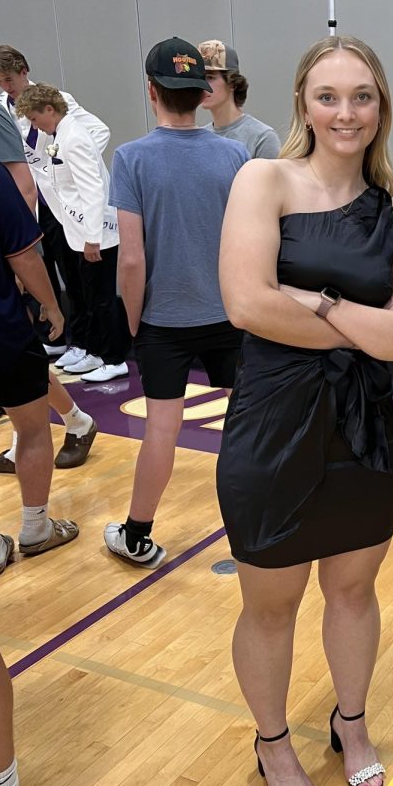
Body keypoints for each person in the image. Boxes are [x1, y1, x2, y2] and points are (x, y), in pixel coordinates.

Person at [217, 36, 393, 786]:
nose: (346, 112)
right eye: (329, 95)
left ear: (381, 108)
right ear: (303, 103)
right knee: (270, 604)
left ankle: (352, 724)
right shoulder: (264, 179)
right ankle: (272, 741)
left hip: (364, 430)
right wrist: (364, 317)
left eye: (362, 96)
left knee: (353, 590)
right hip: (273, 425)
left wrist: (313, 301)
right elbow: (246, 303)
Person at [105, 38, 249, 569]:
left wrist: (134, 323)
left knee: (161, 430)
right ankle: (253, 532)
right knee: (242, 429)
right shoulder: (234, 155)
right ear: (201, 91)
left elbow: (133, 261)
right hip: (230, 317)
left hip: (163, 322)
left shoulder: (130, 159)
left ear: (151, 92)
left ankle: (137, 535)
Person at [0, 99, 96, 473]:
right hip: (13, 248)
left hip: (14, 249)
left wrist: (27, 264)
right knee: (22, 357)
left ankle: (40, 433)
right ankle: (74, 420)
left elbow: (23, 186)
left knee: (18, 352)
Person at [0, 44, 111, 360]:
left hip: (57, 201)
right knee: (37, 270)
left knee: (72, 273)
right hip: (24, 201)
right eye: (0, 81)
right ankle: (55, 338)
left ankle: (85, 341)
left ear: (24, 71)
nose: (6, 87)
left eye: (9, 79)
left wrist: (60, 164)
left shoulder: (54, 99)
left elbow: (98, 132)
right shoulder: (0, 107)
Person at [14, 84, 129, 382]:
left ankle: (115, 358)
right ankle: (95, 351)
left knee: (103, 297)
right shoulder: (59, 135)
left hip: (94, 232)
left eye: (35, 119)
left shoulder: (75, 137)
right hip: (78, 230)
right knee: (90, 296)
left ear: (50, 110)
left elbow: (93, 189)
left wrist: (93, 237)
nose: (34, 126)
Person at [0, 159, 80, 573]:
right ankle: (35, 527)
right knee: (31, 429)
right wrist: (51, 305)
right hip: (3, 333)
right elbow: (23, 254)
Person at [198, 40, 281, 158]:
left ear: (232, 83)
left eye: (210, 77)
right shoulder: (200, 137)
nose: (202, 85)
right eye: (200, 78)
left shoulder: (262, 137)